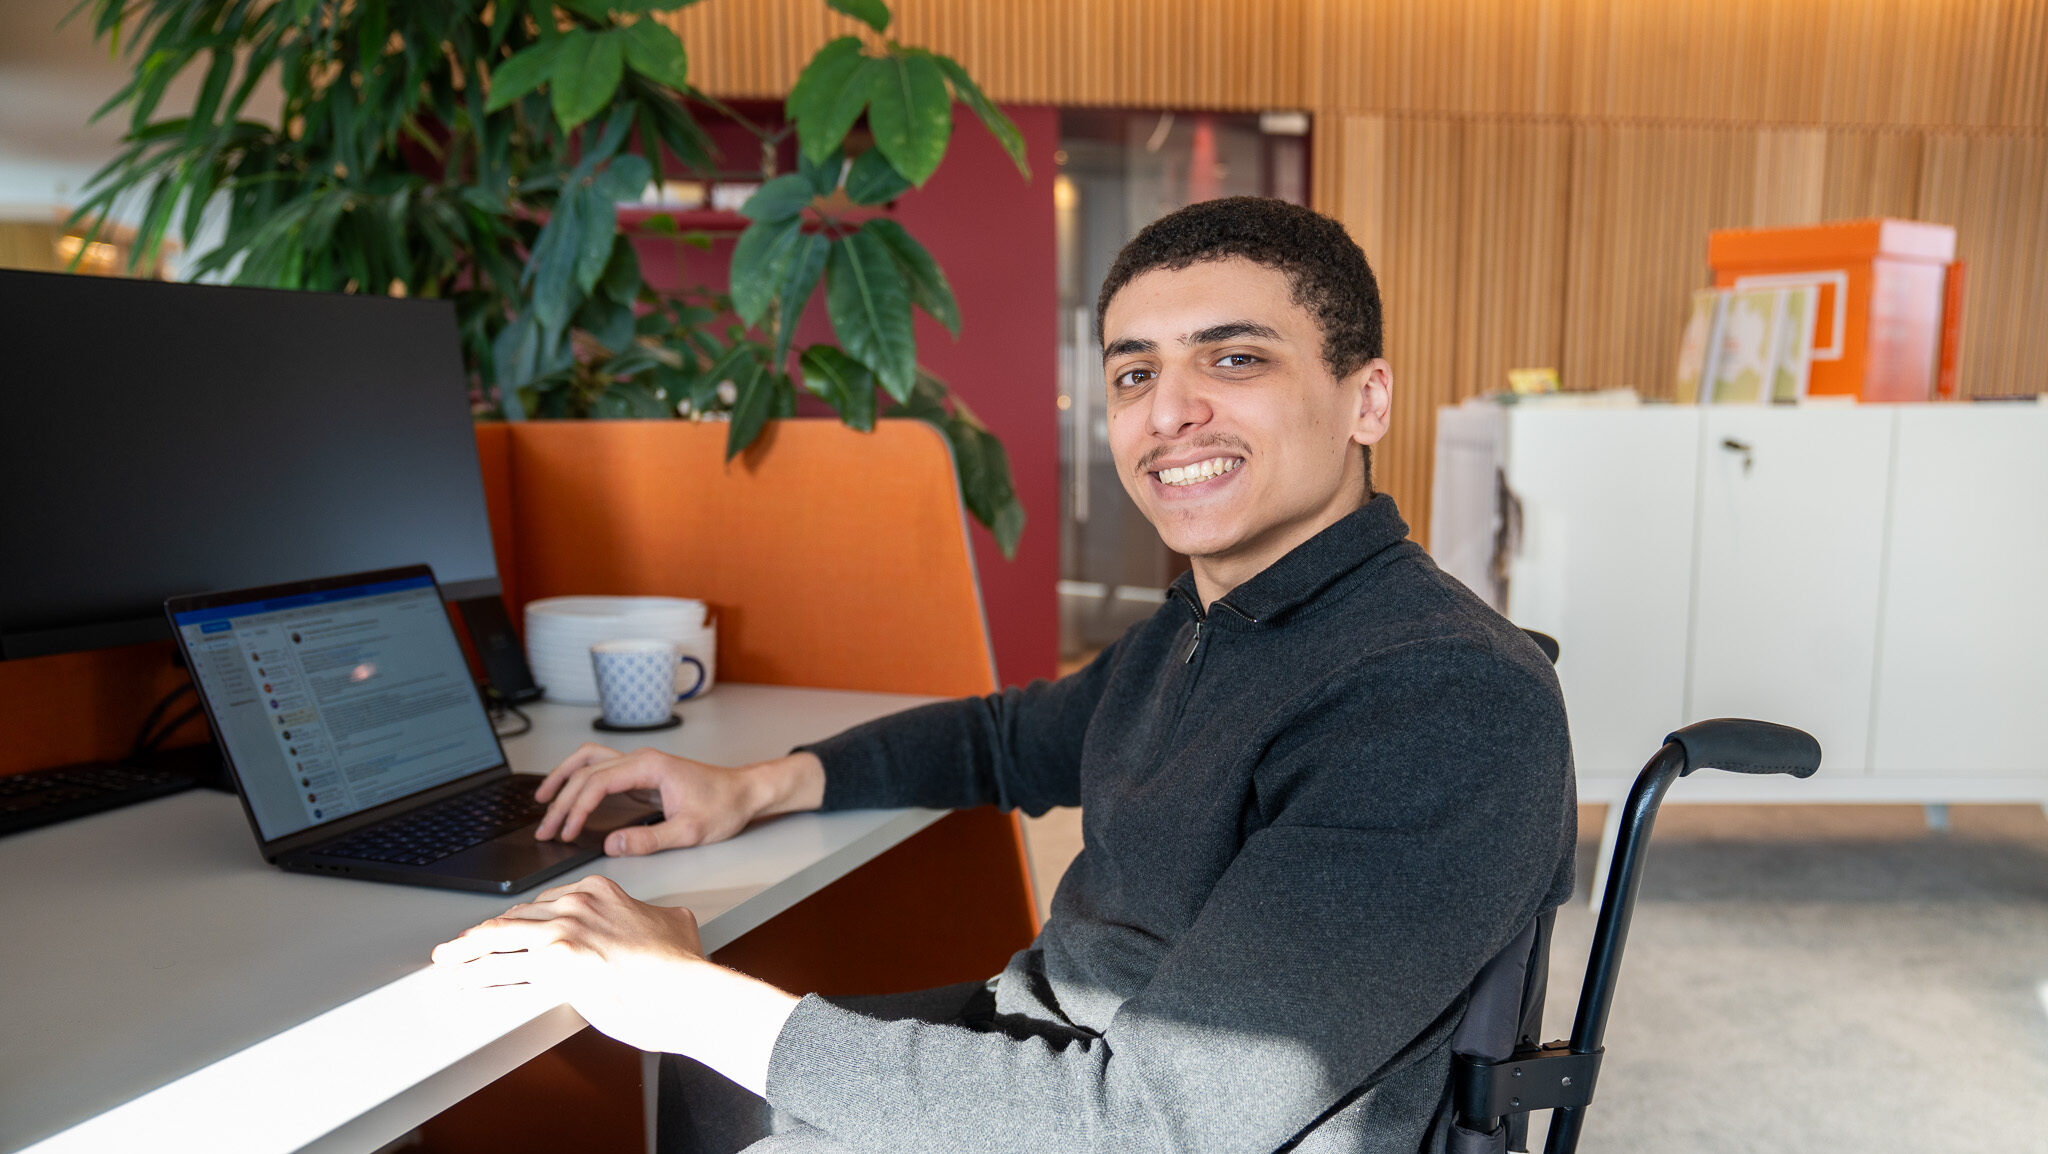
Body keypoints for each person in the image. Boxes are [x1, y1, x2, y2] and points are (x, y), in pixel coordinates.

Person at [432, 196, 1576, 1153]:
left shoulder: (1437, 697)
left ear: (1364, 397)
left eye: (1233, 358)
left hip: (1133, 1118)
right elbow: (1001, 737)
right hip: (1057, 1047)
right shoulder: (1217, 619)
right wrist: (756, 784)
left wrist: (690, 996)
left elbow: (1152, 1122)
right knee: (708, 1087)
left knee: (712, 1050)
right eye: (1134, 373)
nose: (1170, 411)